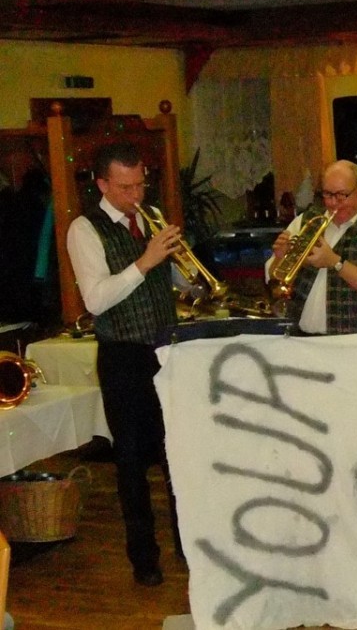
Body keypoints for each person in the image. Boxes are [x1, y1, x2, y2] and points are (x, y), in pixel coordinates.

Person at [66, 142, 183, 587]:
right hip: (123, 357)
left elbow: (174, 282)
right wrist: (146, 260)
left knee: (177, 455)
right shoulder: (84, 229)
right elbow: (96, 299)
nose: (136, 195)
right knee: (132, 463)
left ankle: (188, 546)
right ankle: (144, 559)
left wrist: (182, 268)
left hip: (166, 350)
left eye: (140, 185)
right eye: (125, 187)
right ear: (102, 184)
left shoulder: (149, 217)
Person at [267, 160, 357, 334]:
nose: (334, 203)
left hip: (354, 340)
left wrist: (335, 262)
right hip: (300, 337)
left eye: (342, 195)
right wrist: (280, 257)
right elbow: (273, 277)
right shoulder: (307, 219)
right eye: (327, 194)